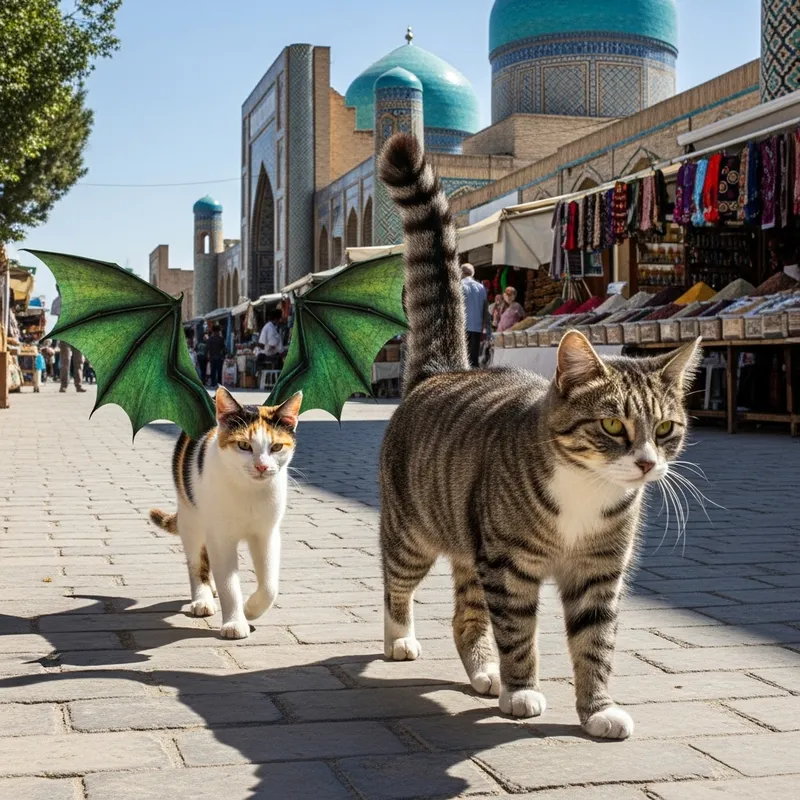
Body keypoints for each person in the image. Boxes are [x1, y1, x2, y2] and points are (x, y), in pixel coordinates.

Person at [51, 290, 86, 393]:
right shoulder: (58, 301)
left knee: (79, 361)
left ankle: (78, 385)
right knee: (65, 361)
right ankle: (64, 385)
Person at [460, 263, 491, 369]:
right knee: (474, 359)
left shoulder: (460, 285)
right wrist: (487, 329)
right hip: (477, 327)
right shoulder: (481, 287)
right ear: (472, 273)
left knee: (463, 358)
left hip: (463, 326)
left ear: (461, 273)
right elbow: (485, 309)